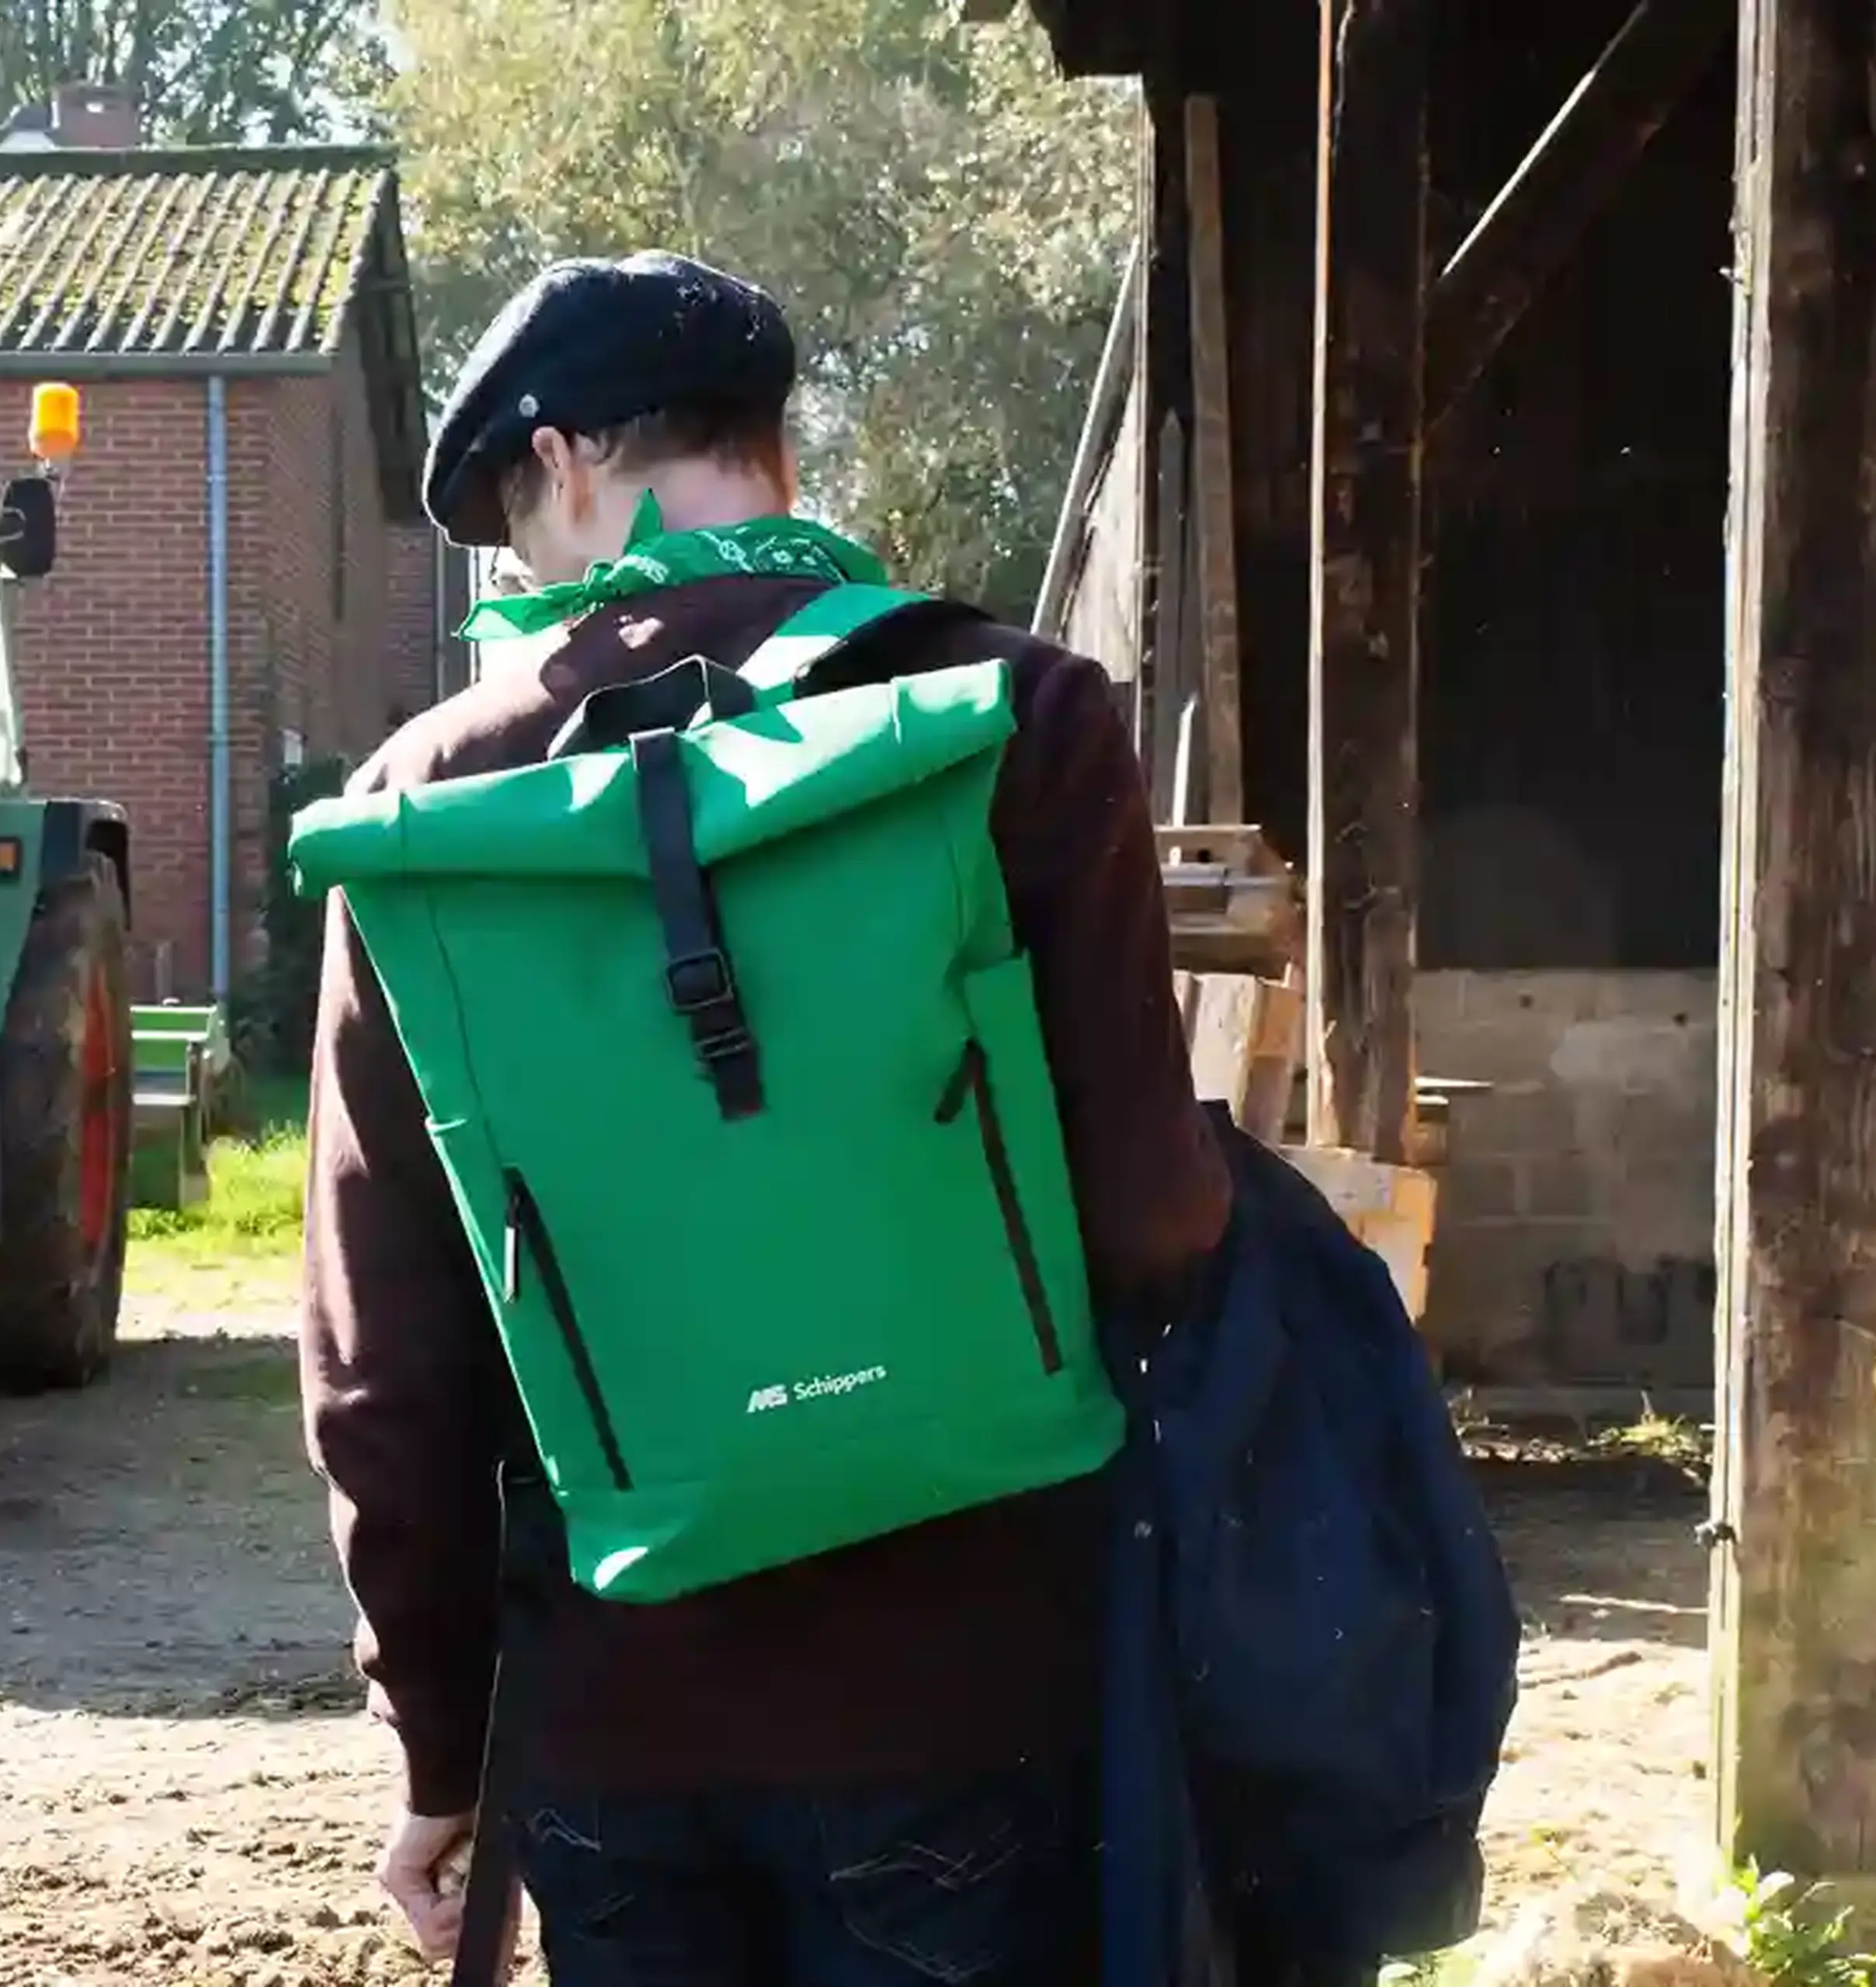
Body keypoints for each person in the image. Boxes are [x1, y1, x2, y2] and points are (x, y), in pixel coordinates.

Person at [298, 249, 1232, 1986]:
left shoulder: (419, 811)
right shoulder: (1014, 717)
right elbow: (1148, 1217)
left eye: (519, 521)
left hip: (610, 1700)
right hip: (968, 1685)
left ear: (572, 463)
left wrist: (440, 1743)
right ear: (768, 448)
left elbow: (387, 1358)